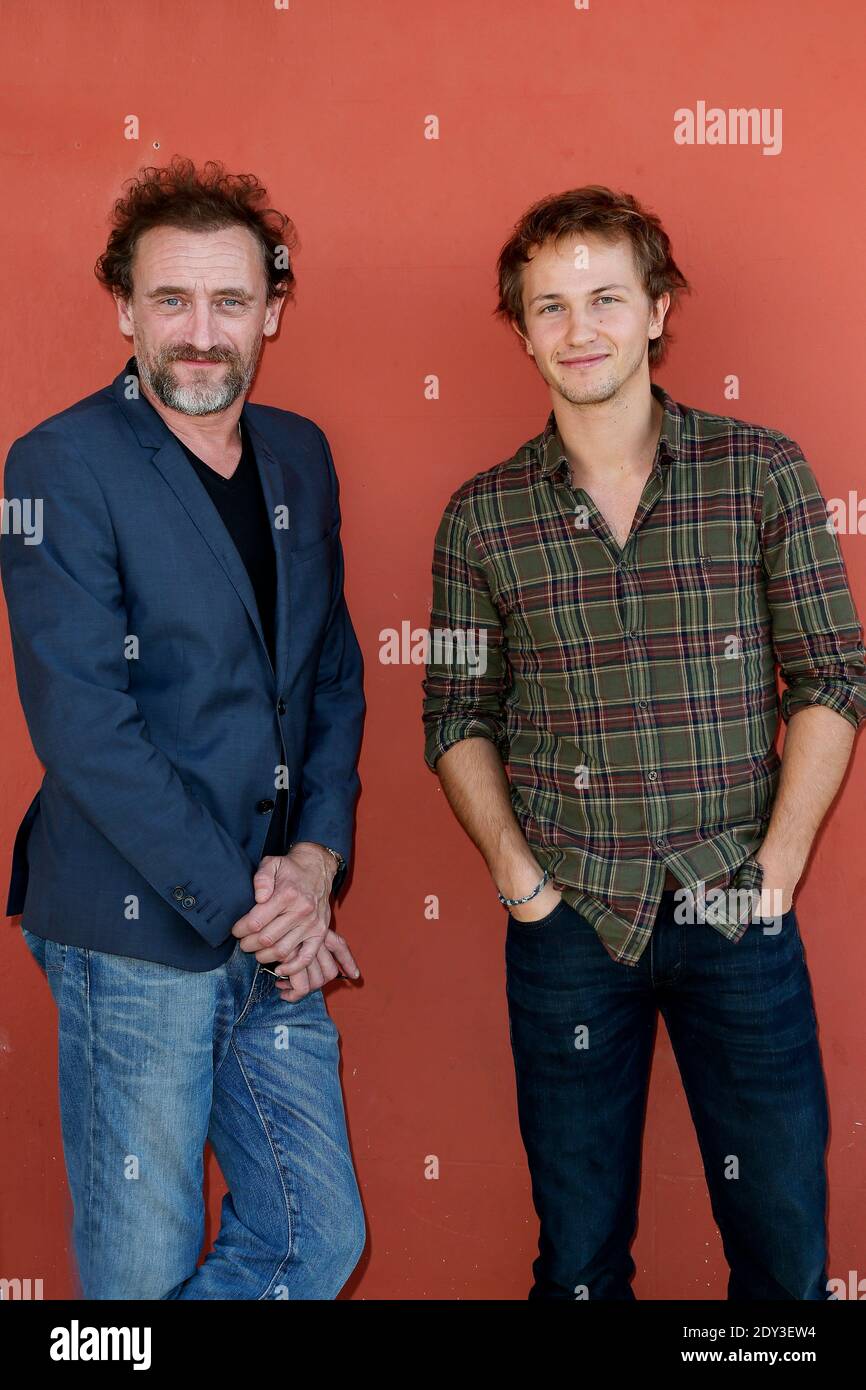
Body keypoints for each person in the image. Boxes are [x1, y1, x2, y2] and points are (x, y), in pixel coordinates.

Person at [421, 184, 866, 1299]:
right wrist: (522, 884)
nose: (581, 331)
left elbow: (832, 675)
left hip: (737, 911)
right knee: (575, 1262)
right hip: (569, 919)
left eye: (606, 298)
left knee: (784, 1256)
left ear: (658, 310)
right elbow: (454, 716)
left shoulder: (758, 473)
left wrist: (774, 874)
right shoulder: (481, 519)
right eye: (551, 307)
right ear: (520, 329)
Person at [1, 156, 366, 1299]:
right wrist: (263, 909)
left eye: (228, 300)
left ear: (273, 308)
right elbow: (85, 729)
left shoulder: (299, 451)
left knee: (317, 1239)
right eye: (170, 300)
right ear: (123, 307)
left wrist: (311, 862)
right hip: (134, 927)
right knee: (138, 1269)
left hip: (272, 913)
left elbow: (331, 677)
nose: (200, 333)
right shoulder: (57, 465)